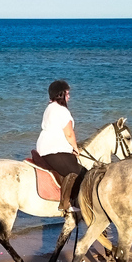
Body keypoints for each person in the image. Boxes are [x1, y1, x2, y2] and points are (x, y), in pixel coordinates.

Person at [36, 80, 86, 212]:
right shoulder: (62, 111)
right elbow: (69, 134)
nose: (69, 97)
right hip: (55, 149)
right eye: (67, 94)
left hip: (44, 146)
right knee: (81, 173)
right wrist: (76, 148)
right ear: (60, 94)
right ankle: (70, 204)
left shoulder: (49, 108)